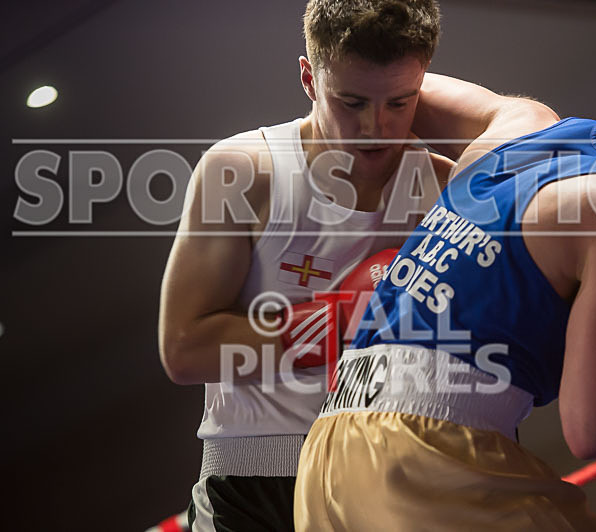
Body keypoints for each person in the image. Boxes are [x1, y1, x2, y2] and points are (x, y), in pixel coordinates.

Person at [294, 44, 596, 530]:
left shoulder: (518, 122)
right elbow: (592, 427)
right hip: (430, 458)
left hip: (324, 461)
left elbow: (383, 84)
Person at [158, 1, 452, 530]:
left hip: (391, 474)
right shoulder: (245, 172)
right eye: (352, 102)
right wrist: (337, 322)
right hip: (253, 484)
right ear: (309, 79)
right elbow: (185, 349)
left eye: (400, 102)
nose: (376, 126)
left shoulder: (446, 192)